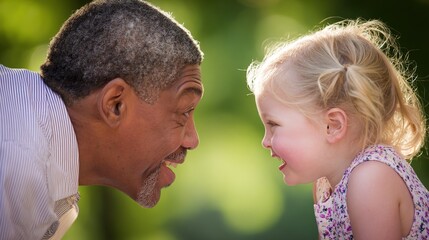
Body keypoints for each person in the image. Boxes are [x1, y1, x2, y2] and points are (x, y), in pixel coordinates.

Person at [0, 0, 204, 239]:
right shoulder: (16, 164)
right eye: (183, 112)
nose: (192, 140)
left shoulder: (36, 161)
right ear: (115, 105)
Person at [246, 19, 429, 239]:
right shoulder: (324, 186)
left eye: (273, 125)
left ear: (333, 125)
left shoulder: (370, 178)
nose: (265, 141)